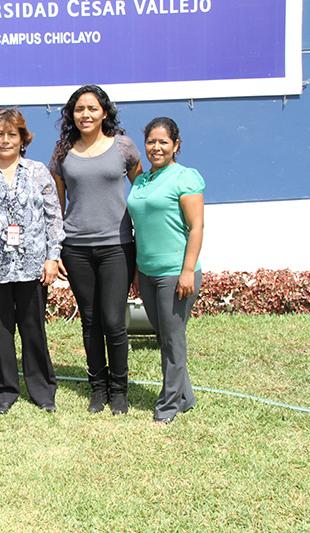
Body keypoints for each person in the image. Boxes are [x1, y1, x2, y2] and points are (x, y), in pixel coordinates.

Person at [0, 108, 64, 414]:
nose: (6, 140)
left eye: (12, 134)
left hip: (33, 266)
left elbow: (53, 217)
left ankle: (43, 390)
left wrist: (52, 257)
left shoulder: (38, 172)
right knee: (0, 332)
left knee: (34, 330)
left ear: (22, 139)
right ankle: (3, 391)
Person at [48, 85, 143, 415]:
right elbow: (56, 206)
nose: (85, 115)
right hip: (76, 248)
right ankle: (98, 389)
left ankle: (120, 389)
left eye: (91, 108)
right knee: (90, 321)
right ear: (71, 115)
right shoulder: (63, 152)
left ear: (104, 111)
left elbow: (142, 194)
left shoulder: (124, 147)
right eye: (78, 109)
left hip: (117, 246)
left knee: (114, 321)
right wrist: (56, 249)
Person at [126, 117, 205, 425]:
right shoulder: (144, 180)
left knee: (173, 339)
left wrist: (187, 271)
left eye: (163, 142)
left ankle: (169, 405)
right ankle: (185, 396)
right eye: (151, 142)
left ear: (176, 145)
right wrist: (136, 270)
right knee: (164, 337)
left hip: (175, 272)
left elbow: (196, 227)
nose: (156, 147)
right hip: (147, 271)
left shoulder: (185, 178)